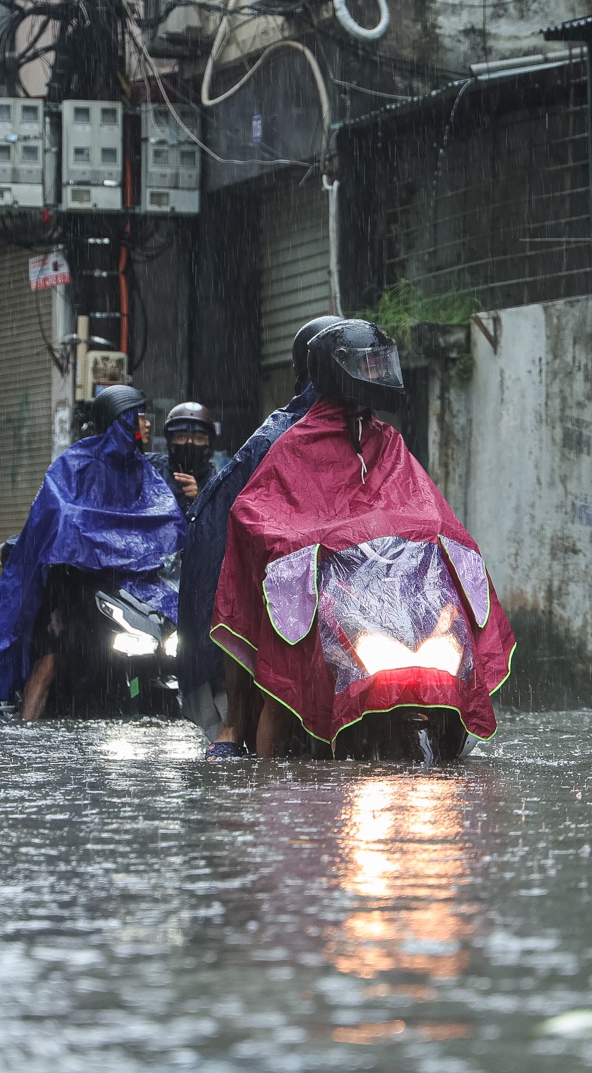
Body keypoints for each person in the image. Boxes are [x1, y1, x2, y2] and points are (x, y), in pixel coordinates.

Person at [210, 319, 515, 757]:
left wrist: (449, 540)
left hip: (388, 594)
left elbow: (427, 511)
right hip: (322, 595)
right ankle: (265, 787)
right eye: (366, 367)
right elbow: (251, 512)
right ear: (337, 372)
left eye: (379, 365)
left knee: (453, 650)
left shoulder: (387, 440)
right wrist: (308, 545)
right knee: (282, 687)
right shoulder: (293, 443)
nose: (376, 376)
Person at [0, 384, 185, 719]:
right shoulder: (76, 464)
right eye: (139, 416)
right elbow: (53, 514)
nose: (147, 423)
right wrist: (88, 540)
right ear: (120, 420)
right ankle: (25, 734)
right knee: (49, 662)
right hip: (70, 585)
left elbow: (162, 518)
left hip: (120, 587)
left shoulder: (144, 469)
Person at [181, 315, 340, 756]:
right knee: (273, 683)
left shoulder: (373, 434)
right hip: (282, 574)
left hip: (353, 580)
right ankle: (234, 725)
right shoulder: (277, 435)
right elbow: (234, 512)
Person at [154, 401, 216, 512]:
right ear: (171, 442)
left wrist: (199, 499)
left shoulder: (215, 481)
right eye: (181, 437)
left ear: (208, 444)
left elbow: (218, 521)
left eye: (199, 438)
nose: (189, 443)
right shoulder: (154, 469)